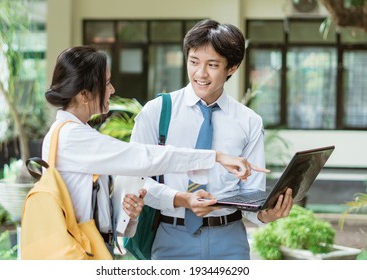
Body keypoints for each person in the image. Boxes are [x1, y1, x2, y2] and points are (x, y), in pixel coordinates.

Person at [42, 45, 268, 257]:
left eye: (212, 64)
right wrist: (215, 157)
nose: (112, 90)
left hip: (88, 248)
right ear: (84, 94)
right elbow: (143, 158)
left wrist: (129, 211)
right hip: (77, 251)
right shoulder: (72, 137)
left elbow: (94, 202)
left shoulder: (78, 133)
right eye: (107, 83)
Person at [130, 19, 294, 260]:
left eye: (212, 65)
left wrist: (263, 215)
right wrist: (182, 199)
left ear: (232, 68)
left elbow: (250, 192)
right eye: (194, 62)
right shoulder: (156, 112)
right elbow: (135, 180)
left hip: (230, 241)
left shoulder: (248, 121)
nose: (200, 73)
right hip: (170, 237)